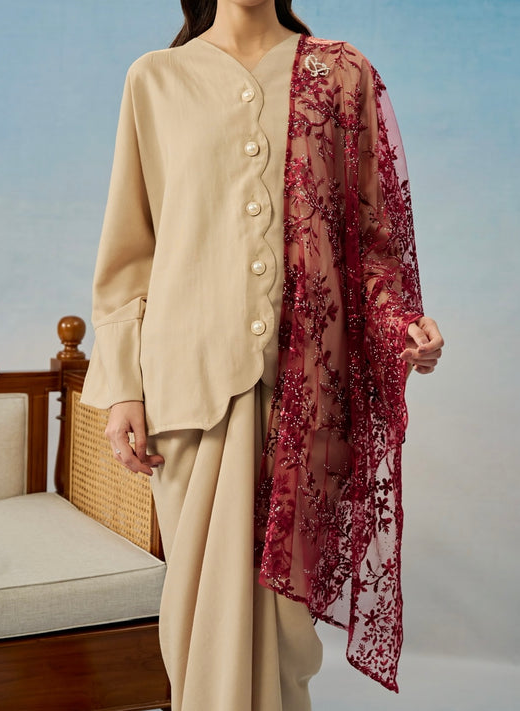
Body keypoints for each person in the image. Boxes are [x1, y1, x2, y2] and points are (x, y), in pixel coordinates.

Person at [81, 1, 444, 709]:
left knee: (283, 629)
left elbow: (372, 240)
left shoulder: (340, 74)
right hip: (189, 389)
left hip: (309, 395)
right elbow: (129, 252)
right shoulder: (155, 79)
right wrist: (124, 384)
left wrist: (402, 324)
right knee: (198, 616)